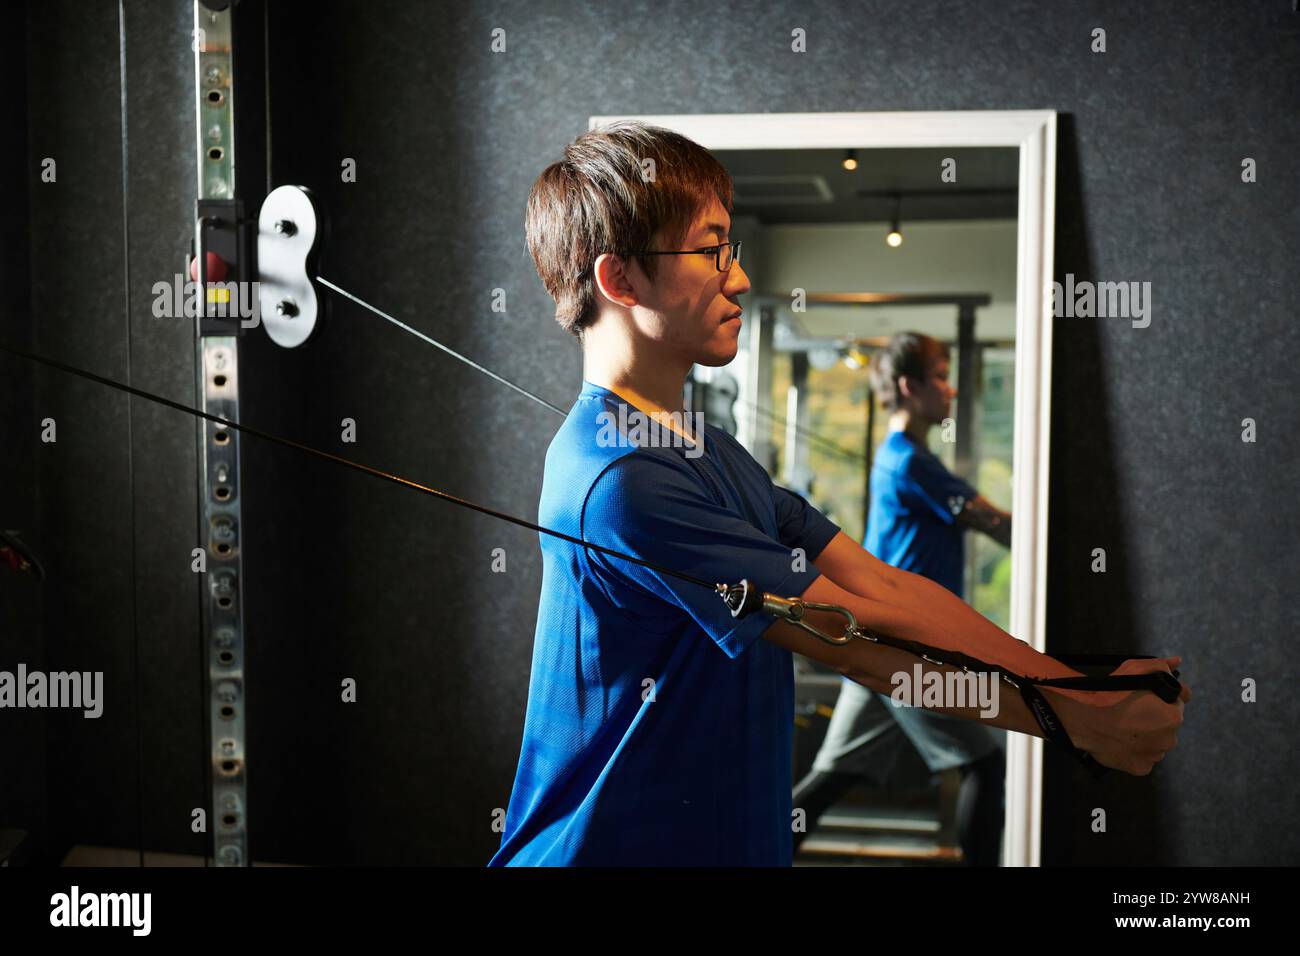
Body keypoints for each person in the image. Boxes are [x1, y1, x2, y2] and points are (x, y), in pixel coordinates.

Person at [488, 121, 1188, 867]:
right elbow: (858, 638)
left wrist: (1073, 682)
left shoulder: (706, 450)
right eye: (710, 249)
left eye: (733, 249)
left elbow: (882, 585)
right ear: (620, 279)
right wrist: (1077, 718)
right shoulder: (622, 478)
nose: (739, 277)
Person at [793, 333, 1010, 865]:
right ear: (910, 387)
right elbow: (999, 526)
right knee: (984, 764)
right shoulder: (911, 463)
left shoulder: (900, 459)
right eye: (940, 375)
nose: (951, 390)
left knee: (830, 778)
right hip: (906, 647)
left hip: (879, 641)